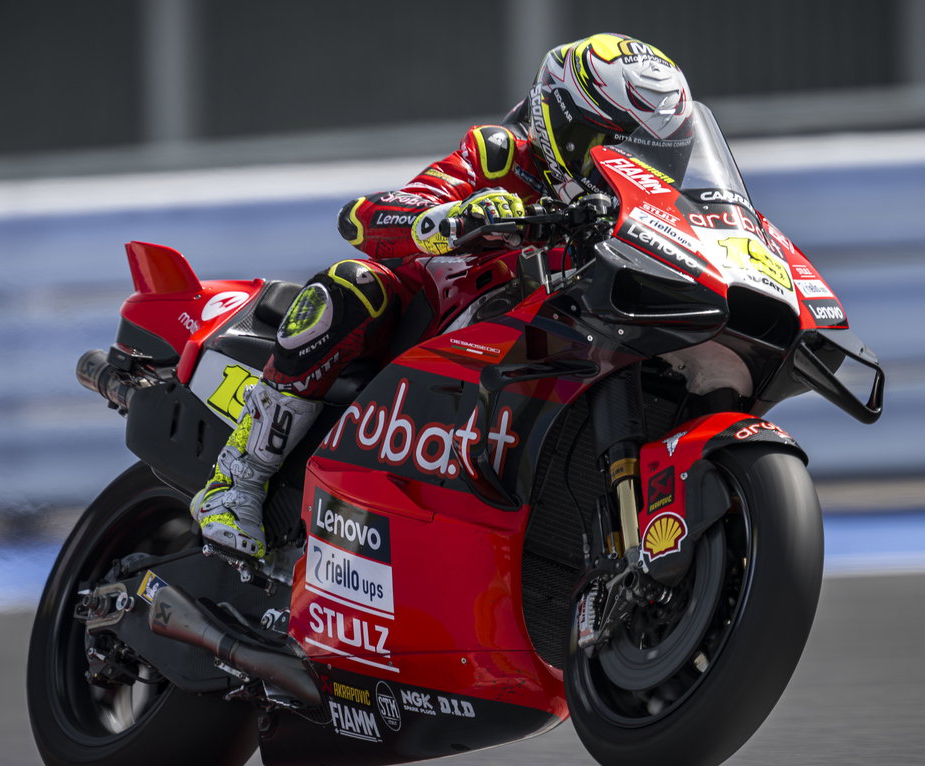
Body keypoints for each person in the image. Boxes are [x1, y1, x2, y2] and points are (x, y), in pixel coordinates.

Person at [191, 32, 691, 563]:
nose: (632, 170)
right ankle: (236, 480)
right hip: (432, 331)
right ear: (559, 120)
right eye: (606, 146)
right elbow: (365, 217)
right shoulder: (500, 158)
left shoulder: (634, 229)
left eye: (655, 158)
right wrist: (455, 218)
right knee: (354, 287)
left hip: (540, 363)